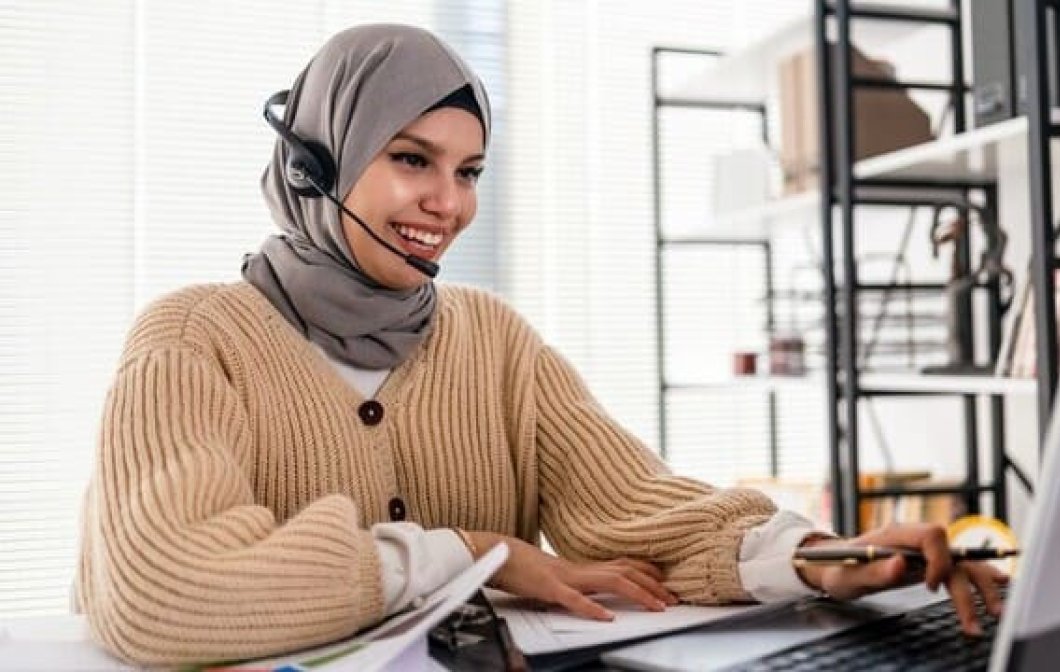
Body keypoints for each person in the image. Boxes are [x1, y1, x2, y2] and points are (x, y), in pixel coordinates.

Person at [74, 23, 1006, 667]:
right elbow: (168, 588)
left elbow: (643, 513)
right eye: (411, 160)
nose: (450, 204)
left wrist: (829, 557)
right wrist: (469, 553)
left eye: (468, 170)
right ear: (314, 165)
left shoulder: (493, 339)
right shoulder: (194, 337)